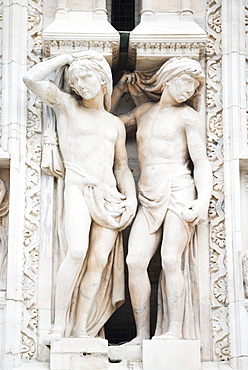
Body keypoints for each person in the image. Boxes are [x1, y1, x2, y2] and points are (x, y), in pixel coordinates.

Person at [23, 51, 137, 340]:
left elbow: (122, 167)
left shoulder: (114, 124)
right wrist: (66, 58)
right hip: (78, 185)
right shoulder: (68, 106)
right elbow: (30, 78)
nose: (79, 85)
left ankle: (81, 327)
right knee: (76, 251)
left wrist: (131, 199)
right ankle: (59, 323)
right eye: (74, 81)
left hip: (109, 195)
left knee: (98, 261)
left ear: (101, 79)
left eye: (85, 77)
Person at [111, 57, 212, 344]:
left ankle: (174, 331)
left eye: (193, 89)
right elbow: (107, 125)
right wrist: (119, 89)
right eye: (185, 83)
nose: (188, 92)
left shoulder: (188, 117)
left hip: (178, 189)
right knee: (135, 261)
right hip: (148, 193)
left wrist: (202, 200)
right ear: (168, 78)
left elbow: (201, 162)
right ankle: (142, 335)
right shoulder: (143, 112)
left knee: (170, 259)